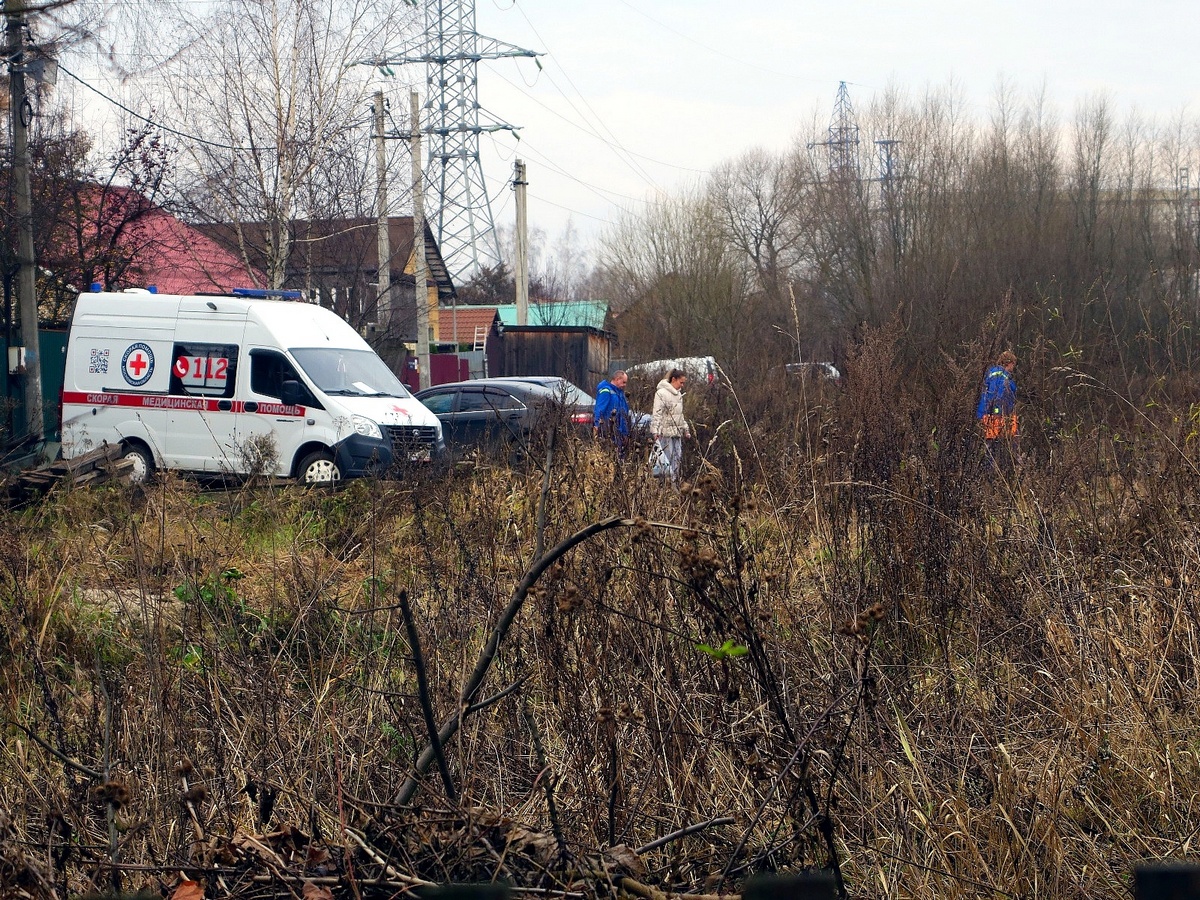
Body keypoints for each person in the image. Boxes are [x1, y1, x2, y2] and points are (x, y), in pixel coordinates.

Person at [976, 350, 1018, 468]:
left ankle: (993, 471)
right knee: (998, 445)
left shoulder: (992, 374)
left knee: (992, 445)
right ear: (1009, 363)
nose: (1013, 368)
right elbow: (997, 396)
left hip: (987, 414)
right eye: (1013, 364)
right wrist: (998, 412)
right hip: (996, 416)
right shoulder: (1001, 376)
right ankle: (994, 473)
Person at [651, 368, 690, 481]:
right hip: (665, 435)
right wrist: (655, 431)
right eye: (680, 382)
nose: (682, 385)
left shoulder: (678, 395)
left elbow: (679, 414)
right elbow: (657, 413)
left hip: (676, 434)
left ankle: (673, 487)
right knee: (665, 464)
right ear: (674, 379)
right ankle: (664, 487)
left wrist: (685, 429)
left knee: (676, 463)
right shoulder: (661, 393)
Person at [593, 370, 631, 454]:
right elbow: (600, 409)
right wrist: (597, 427)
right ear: (617, 379)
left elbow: (623, 415)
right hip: (608, 430)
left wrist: (625, 433)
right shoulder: (606, 391)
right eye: (623, 382)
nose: (625, 385)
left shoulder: (620, 394)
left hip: (619, 432)